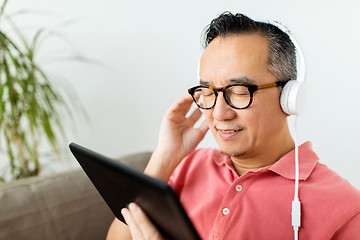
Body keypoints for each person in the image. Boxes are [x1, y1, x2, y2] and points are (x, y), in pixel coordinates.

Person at [107, 12, 360, 239]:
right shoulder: (186, 166)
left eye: (239, 91)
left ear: (289, 97)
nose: (219, 113)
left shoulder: (346, 208)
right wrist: (165, 157)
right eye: (208, 91)